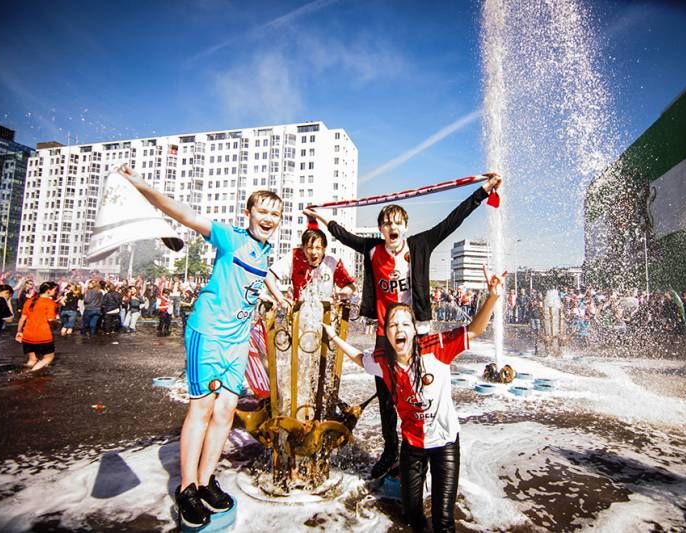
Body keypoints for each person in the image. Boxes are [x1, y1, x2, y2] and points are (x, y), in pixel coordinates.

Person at [305, 171, 502, 479]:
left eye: (397, 222)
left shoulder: (420, 244)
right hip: (386, 333)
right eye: (386, 223)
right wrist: (319, 216)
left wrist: (483, 191)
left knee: (423, 390)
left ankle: (427, 446)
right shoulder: (372, 249)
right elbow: (342, 234)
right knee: (386, 395)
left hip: (418, 331)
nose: (392, 227)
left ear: (405, 226)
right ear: (381, 229)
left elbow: (453, 220)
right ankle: (390, 450)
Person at [119, 163, 283, 529]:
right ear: (248, 212)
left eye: (275, 214)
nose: (269, 218)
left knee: (226, 412)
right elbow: (184, 213)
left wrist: (279, 295)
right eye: (262, 211)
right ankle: (187, 488)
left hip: (238, 341)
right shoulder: (230, 237)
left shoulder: (263, 250)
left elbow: (261, 274)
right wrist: (139, 183)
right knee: (203, 408)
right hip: (208, 333)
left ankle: (207, 480)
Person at [324, 266, 507, 532]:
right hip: (412, 446)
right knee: (411, 515)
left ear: (413, 330)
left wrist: (492, 297)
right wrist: (333, 337)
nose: (399, 328)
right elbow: (359, 358)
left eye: (404, 324)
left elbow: (474, 331)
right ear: (386, 332)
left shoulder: (436, 348)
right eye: (393, 324)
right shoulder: (383, 362)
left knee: (443, 521)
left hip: (445, 444)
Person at [265, 228, 356, 307]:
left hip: (325, 312)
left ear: (324, 249)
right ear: (303, 248)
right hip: (299, 312)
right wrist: (280, 298)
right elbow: (269, 275)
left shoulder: (333, 262)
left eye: (318, 248)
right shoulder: (295, 257)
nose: (313, 252)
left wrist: (340, 295)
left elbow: (351, 285)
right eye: (309, 248)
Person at [16, 281, 58, 372]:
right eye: (55, 290)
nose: (56, 292)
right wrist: (57, 323)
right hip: (43, 335)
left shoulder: (29, 301)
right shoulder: (50, 303)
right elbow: (51, 320)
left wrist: (19, 332)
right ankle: (30, 373)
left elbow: (22, 319)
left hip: (27, 335)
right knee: (48, 358)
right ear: (48, 291)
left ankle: (23, 373)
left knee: (32, 360)